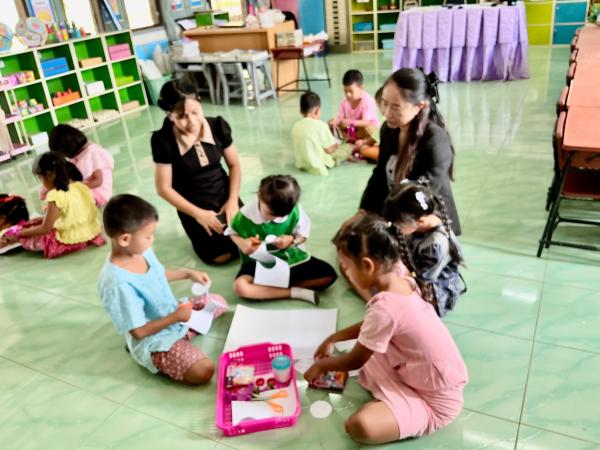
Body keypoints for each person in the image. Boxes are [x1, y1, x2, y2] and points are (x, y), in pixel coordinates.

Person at [305, 215, 468, 445]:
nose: (347, 274)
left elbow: (354, 360)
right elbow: (375, 326)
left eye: (347, 268)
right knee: (368, 349)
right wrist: (334, 337)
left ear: (368, 266)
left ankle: (399, 407)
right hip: (419, 373)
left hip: (435, 402)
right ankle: (393, 403)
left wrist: (322, 365)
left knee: (359, 426)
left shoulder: (386, 308)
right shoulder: (400, 273)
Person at [98, 194, 223, 385]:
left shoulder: (139, 249)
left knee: (218, 302)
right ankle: (157, 350)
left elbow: (158, 274)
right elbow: (139, 332)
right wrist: (176, 317)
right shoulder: (118, 283)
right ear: (124, 239)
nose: (152, 240)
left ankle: (183, 335)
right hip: (153, 337)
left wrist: (188, 273)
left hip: (173, 315)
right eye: (148, 236)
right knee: (203, 371)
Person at [357, 68, 461, 236]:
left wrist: (392, 226)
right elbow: (379, 176)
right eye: (384, 103)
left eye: (396, 107)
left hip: (425, 219)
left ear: (419, 106)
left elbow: (423, 195)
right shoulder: (389, 130)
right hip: (397, 214)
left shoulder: (434, 139)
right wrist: (363, 212)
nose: (386, 113)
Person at [151, 77, 242, 264]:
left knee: (252, 240)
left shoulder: (217, 126)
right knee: (221, 256)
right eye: (181, 116)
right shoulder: (163, 140)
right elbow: (163, 189)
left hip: (225, 195)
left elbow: (234, 165)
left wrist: (232, 201)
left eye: (195, 112)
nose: (192, 121)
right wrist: (199, 214)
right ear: (169, 115)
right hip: (192, 204)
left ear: (200, 103)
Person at [226, 175, 337, 304]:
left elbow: (302, 235)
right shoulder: (244, 216)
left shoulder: (295, 210)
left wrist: (292, 240)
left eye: (282, 216)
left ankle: (267, 290)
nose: (275, 219)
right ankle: (294, 292)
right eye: (270, 214)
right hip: (257, 262)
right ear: (259, 196)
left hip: (289, 257)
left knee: (329, 275)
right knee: (240, 287)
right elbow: (231, 232)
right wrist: (243, 244)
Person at [383, 180, 465, 317]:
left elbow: (420, 280)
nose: (395, 227)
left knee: (384, 293)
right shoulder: (425, 219)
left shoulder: (435, 245)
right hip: (417, 272)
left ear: (420, 221)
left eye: (397, 224)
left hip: (434, 291)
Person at [0, 153, 104, 258]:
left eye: (40, 178)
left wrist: (18, 234)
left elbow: (45, 228)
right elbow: (71, 213)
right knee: (35, 222)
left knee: (25, 233)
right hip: (91, 233)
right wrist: (44, 218)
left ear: (49, 175)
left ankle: (5, 242)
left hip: (69, 241)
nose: (42, 183)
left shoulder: (54, 195)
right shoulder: (81, 186)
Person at [48, 124, 114, 207]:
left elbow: (98, 181)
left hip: (99, 193)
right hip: (86, 190)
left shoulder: (93, 153)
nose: (65, 156)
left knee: (65, 203)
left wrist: (75, 188)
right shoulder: (79, 155)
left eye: (64, 154)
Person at [291, 91, 353, 176]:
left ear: (301, 111)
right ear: (317, 110)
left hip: (301, 164)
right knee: (348, 147)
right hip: (319, 165)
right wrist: (337, 144)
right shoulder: (321, 125)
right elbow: (329, 150)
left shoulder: (295, 126)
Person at [328, 69, 380, 144]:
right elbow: (341, 119)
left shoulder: (368, 101)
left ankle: (363, 141)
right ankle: (351, 139)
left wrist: (350, 122)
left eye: (351, 91)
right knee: (330, 123)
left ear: (361, 88)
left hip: (364, 130)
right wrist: (336, 122)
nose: (348, 94)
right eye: (345, 91)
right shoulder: (344, 102)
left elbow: (367, 122)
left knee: (369, 129)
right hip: (352, 130)